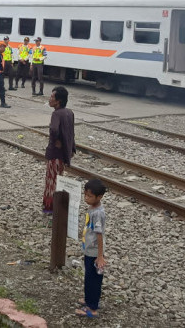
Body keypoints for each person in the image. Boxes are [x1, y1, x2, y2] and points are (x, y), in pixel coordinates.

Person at [76, 178, 107, 319]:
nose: (86, 198)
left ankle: (92, 308)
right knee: (89, 277)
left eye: (89, 196)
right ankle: (90, 300)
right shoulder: (93, 208)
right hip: (89, 250)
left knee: (92, 279)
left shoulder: (98, 214)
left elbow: (99, 235)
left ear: (99, 197)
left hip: (94, 252)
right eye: (85, 195)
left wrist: (100, 256)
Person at [43, 86, 76, 214]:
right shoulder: (69, 112)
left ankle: (49, 207)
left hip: (55, 153)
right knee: (59, 178)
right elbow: (71, 133)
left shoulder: (56, 114)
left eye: (52, 97)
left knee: (51, 179)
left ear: (58, 101)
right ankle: (57, 205)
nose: (50, 99)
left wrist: (54, 141)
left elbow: (54, 129)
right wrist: (72, 148)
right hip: (64, 154)